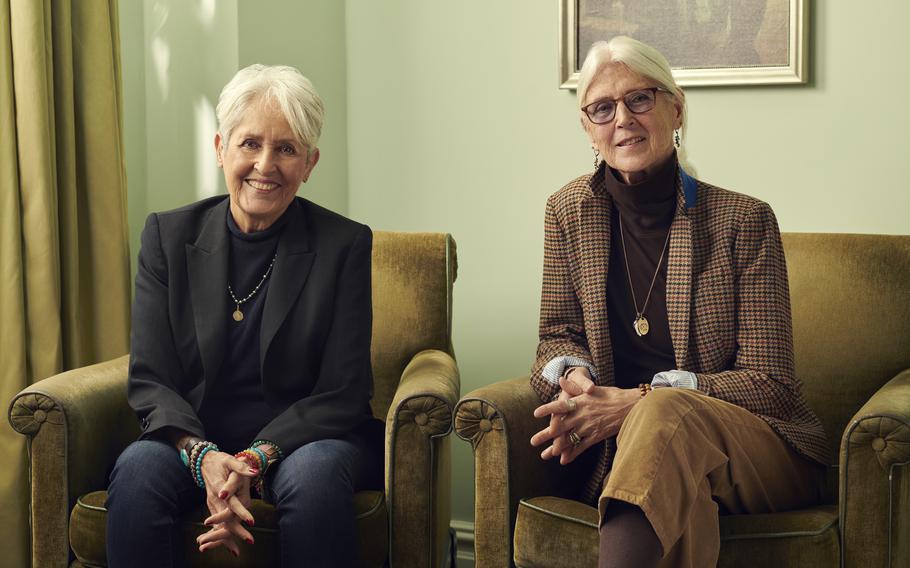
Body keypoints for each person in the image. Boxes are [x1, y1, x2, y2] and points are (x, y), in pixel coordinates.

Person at [529, 36, 828, 568]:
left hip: (759, 453)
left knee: (665, 413)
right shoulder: (566, 213)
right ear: (587, 128)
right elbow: (556, 336)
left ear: (676, 108)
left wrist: (641, 400)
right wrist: (579, 385)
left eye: (639, 99)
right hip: (648, 462)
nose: (622, 119)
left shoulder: (742, 221)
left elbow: (771, 384)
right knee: (679, 491)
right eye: (602, 107)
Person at [106, 64, 382, 567]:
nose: (265, 164)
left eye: (286, 149)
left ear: (310, 163)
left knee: (316, 480)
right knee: (138, 474)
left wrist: (255, 459)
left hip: (305, 442)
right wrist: (203, 455)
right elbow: (151, 379)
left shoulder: (344, 244)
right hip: (190, 438)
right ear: (220, 149)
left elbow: (344, 390)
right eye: (250, 143)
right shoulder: (168, 238)